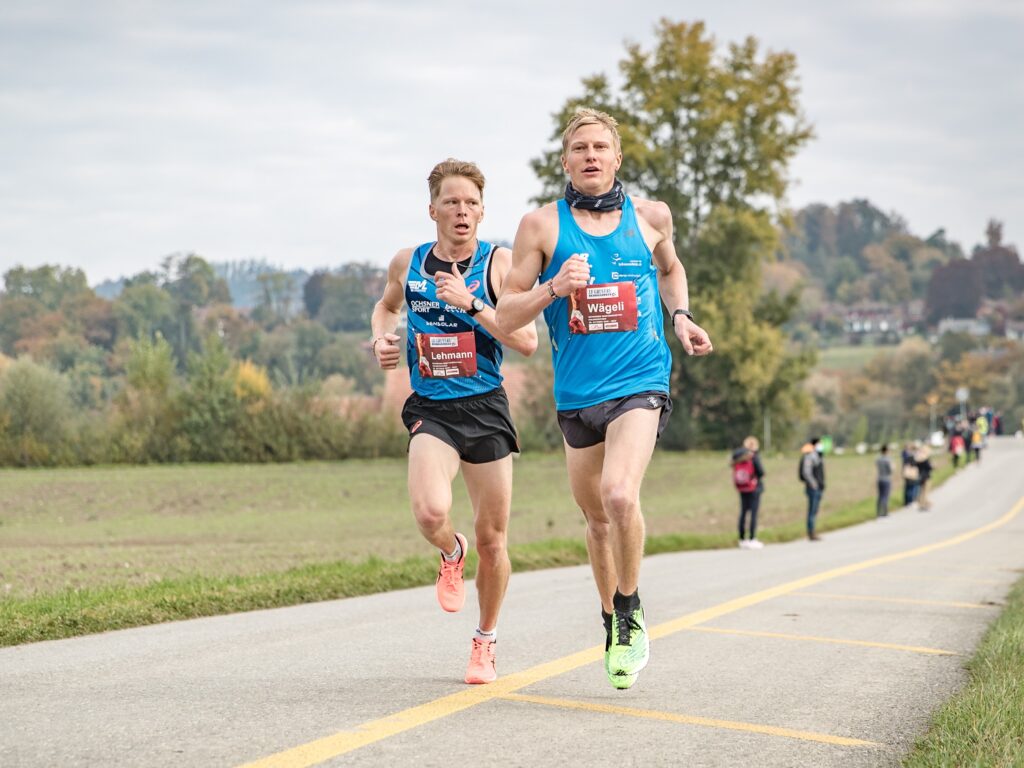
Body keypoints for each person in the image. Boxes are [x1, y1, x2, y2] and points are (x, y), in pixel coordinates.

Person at [495, 107, 713, 689]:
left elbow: (671, 270)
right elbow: (505, 312)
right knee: (594, 518)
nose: (590, 156)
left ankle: (631, 606)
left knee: (619, 495)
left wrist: (682, 316)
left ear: (617, 158)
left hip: (641, 380)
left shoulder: (651, 216)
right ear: (564, 161)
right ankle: (611, 619)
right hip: (576, 394)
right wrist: (552, 288)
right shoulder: (540, 227)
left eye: (600, 147)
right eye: (579, 149)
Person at [370, 158, 538, 685]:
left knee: (494, 541)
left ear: (482, 212)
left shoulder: (499, 264)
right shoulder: (409, 262)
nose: (461, 211)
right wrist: (381, 338)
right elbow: (384, 307)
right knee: (428, 511)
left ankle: (485, 642)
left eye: (470, 203)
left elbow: (527, 341)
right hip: (433, 409)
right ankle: (449, 549)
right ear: (433, 210)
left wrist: (470, 304)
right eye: (451, 202)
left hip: (486, 408)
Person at [732, 436, 765, 548]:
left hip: (742, 488)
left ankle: (742, 539)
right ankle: (752, 538)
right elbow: (761, 472)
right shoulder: (753, 457)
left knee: (743, 512)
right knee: (753, 513)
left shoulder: (738, 457)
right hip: (754, 488)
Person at [799, 437, 825, 540]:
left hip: (818, 488)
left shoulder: (817, 456)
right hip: (813, 488)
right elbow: (806, 472)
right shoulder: (810, 456)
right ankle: (811, 532)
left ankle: (813, 531)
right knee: (812, 511)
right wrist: (814, 484)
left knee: (814, 511)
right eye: (819, 444)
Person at [915, 445, 934, 511]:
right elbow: (930, 467)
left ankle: (921, 503)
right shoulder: (925, 460)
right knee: (925, 491)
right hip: (926, 476)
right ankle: (925, 504)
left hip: (920, 476)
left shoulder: (918, 459)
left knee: (921, 490)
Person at [875, 444, 892, 517]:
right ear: (886, 451)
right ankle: (884, 512)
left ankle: (878, 512)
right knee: (885, 496)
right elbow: (890, 470)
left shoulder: (878, 459)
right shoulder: (888, 459)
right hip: (886, 479)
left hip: (879, 478)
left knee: (880, 496)